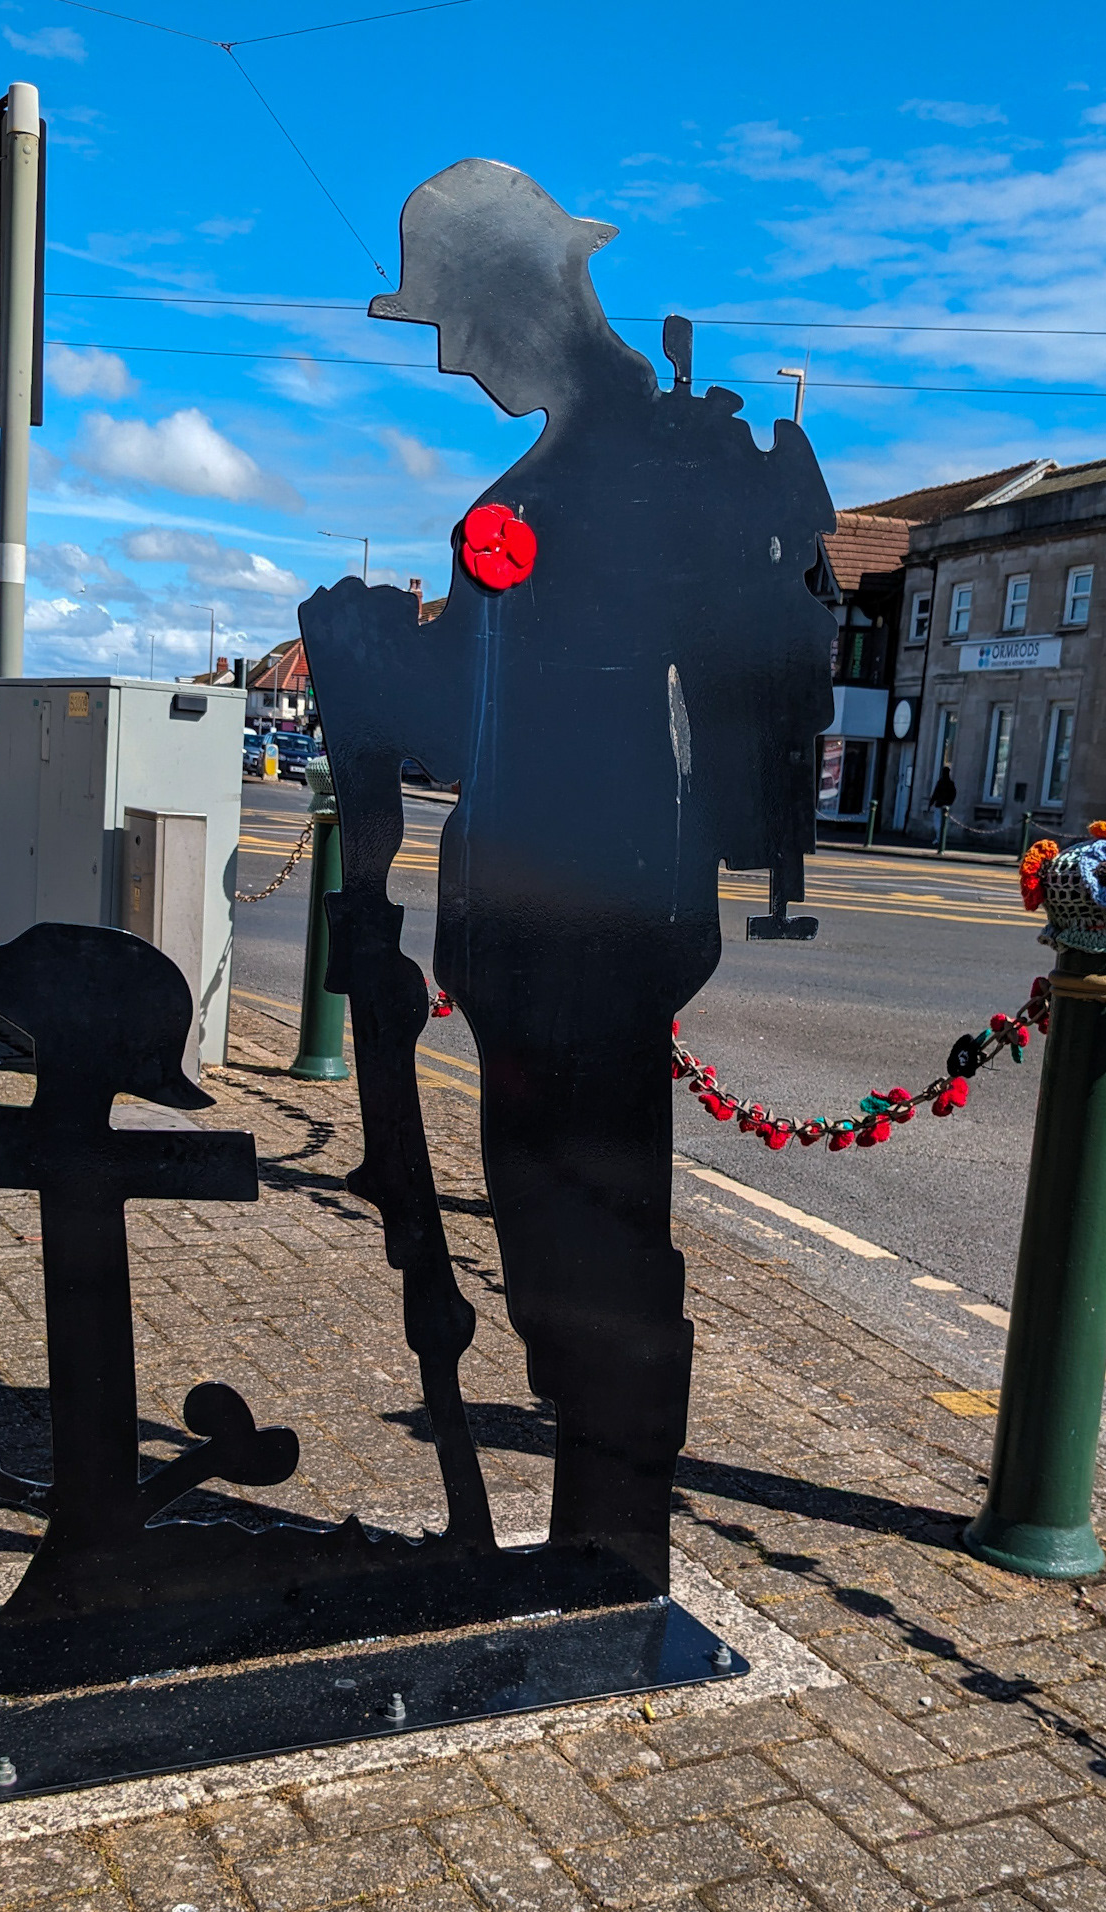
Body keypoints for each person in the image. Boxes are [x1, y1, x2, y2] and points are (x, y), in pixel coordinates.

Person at [301, 159, 835, 1594]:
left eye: (452, 318)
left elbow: (509, 710)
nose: (448, 351)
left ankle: (611, 1552)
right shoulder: (606, 462)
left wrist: (369, 661)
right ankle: (605, 1538)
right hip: (568, 920)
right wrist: (383, 659)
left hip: (582, 922)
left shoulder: (605, 474)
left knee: (583, 1248)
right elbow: (504, 699)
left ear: (517, 297)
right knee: (563, 1245)